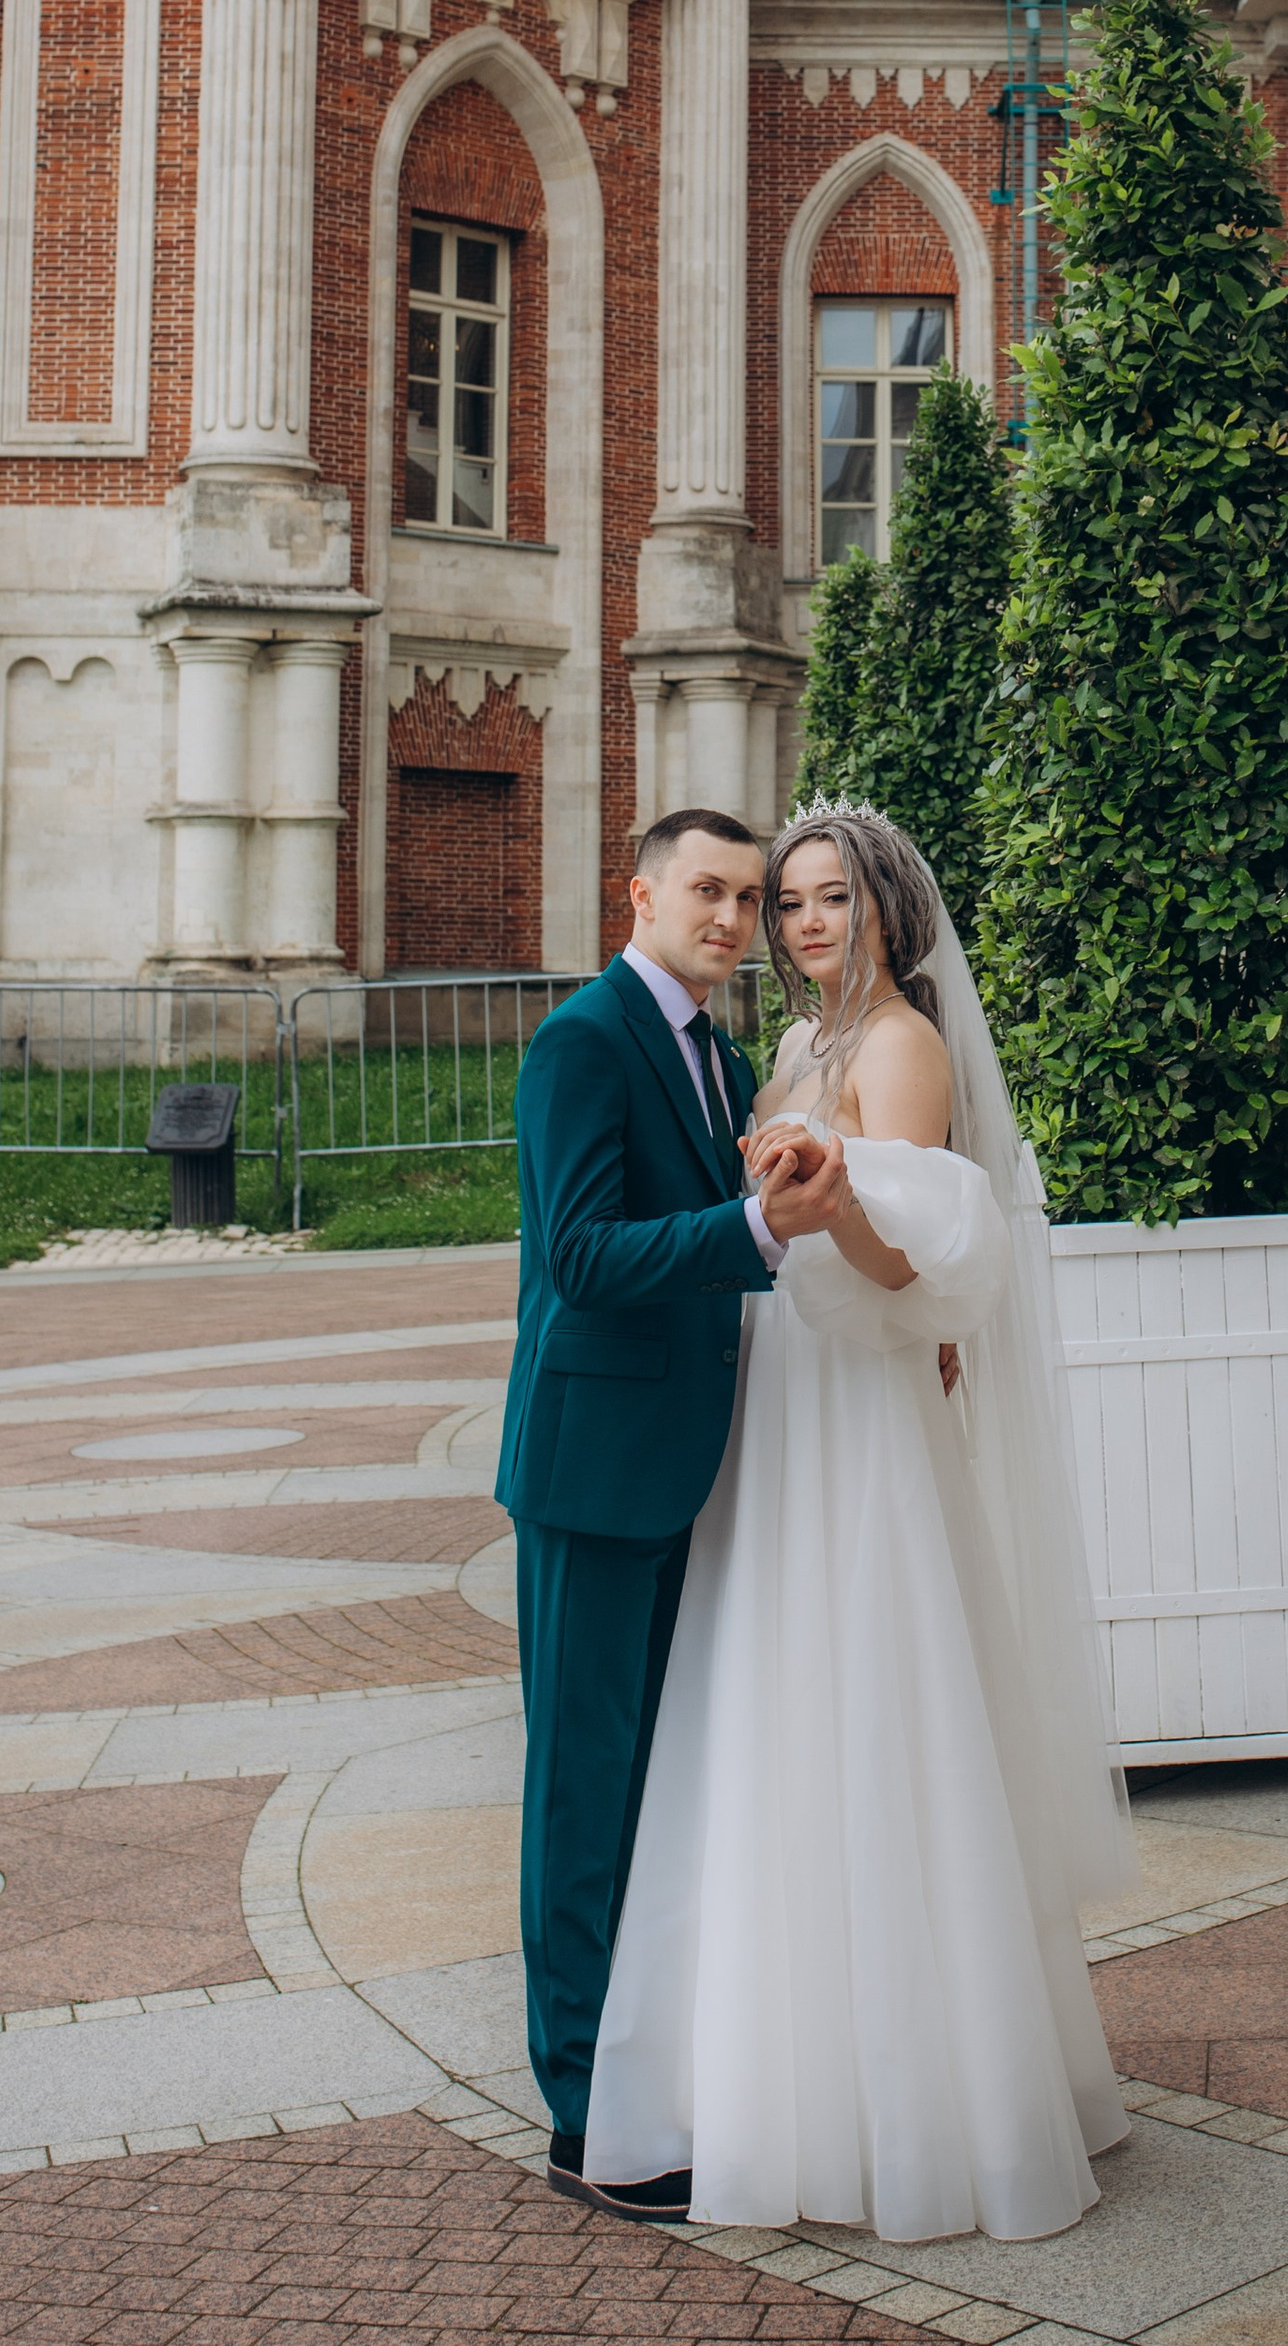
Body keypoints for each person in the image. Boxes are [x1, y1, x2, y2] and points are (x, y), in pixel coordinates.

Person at [584, 802, 1132, 2244]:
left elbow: (919, 1269)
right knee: (770, 1709)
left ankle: (929, 2101)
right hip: (781, 1402)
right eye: (791, 907)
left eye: (832, 900)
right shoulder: (794, 1050)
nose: (807, 926)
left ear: (889, 907)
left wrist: (834, 1221)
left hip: (861, 1412)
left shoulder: (901, 1048)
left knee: (878, 1715)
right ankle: (777, 2074)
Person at [496, 808, 849, 2224]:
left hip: (681, 1462)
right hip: (593, 1468)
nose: (730, 916)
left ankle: (647, 2076)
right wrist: (755, 1234)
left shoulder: (709, 1053)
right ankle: (583, 2115)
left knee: (653, 1791)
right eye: (706, 889)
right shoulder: (584, 1040)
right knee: (584, 1797)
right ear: (636, 891)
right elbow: (579, 1255)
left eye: (748, 898)